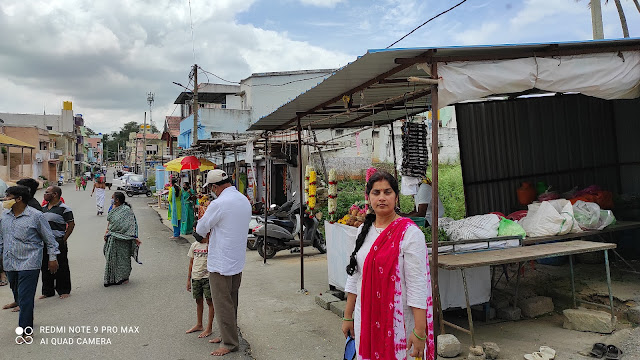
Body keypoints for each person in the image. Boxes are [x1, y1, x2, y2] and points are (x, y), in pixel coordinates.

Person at [342, 170, 435, 360]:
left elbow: (418, 285)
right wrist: (348, 315)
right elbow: (355, 276)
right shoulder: (362, 231)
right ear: (368, 198)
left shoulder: (410, 233)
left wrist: (419, 331)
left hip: (398, 322)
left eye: (387, 192)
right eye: (376, 193)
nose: (382, 198)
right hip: (365, 319)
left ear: (396, 197)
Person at [196, 169, 251, 356]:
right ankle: (228, 334)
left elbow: (201, 228)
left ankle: (229, 343)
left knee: (222, 303)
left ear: (214, 187)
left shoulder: (219, 203)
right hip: (237, 260)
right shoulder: (243, 200)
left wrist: (201, 230)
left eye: (211, 188)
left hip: (221, 261)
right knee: (232, 300)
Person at [0, 185, 59, 334]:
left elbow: (50, 239)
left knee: (26, 296)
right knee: (17, 292)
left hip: (30, 262)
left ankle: (26, 328)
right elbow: (2, 239)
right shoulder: (4, 216)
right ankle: (27, 317)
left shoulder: (36, 216)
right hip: (10, 263)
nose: (5, 200)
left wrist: (53, 258)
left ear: (19, 199)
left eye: (8, 197)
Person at [41, 186, 75, 299]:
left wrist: (64, 239)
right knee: (45, 266)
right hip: (45, 242)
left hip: (58, 241)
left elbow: (71, 224)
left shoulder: (64, 209)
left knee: (61, 266)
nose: (45, 194)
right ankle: (47, 291)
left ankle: (64, 290)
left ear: (55, 194)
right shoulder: (44, 209)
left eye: (47, 192)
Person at [103, 191, 141, 287]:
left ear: (117, 199)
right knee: (111, 258)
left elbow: (132, 224)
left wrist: (135, 237)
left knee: (123, 259)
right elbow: (110, 222)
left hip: (124, 239)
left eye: (112, 197)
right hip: (112, 237)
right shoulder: (112, 208)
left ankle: (124, 277)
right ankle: (112, 278)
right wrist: (106, 232)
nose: (111, 199)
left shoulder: (126, 210)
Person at [185, 231, 214, 339]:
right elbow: (191, 263)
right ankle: (199, 324)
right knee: (198, 300)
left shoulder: (210, 245)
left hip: (207, 277)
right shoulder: (194, 245)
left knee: (209, 301)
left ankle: (209, 327)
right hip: (196, 277)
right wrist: (188, 279)